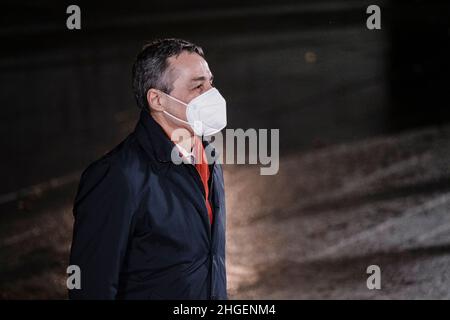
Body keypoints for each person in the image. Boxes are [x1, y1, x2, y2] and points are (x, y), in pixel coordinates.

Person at [69, 38, 228, 300]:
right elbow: (91, 285)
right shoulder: (118, 176)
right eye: (197, 86)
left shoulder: (207, 156)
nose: (211, 94)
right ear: (157, 100)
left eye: (210, 83)